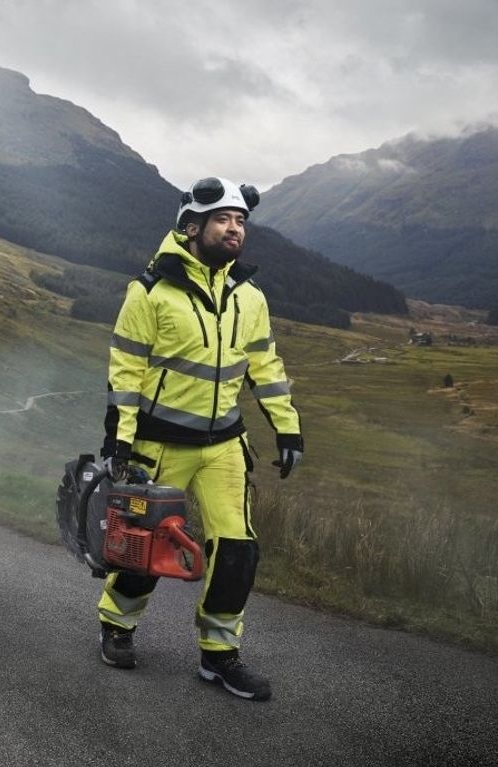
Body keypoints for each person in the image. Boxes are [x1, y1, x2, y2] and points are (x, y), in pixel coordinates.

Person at [96, 177, 303, 702]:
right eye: (223, 220)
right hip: (159, 444)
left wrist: (287, 425)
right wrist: (121, 442)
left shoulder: (249, 296)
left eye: (241, 222)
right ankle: (117, 626)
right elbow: (126, 370)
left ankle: (219, 656)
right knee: (145, 551)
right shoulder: (149, 292)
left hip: (224, 446)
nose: (235, 229)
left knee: (237, 550)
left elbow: (266, 366)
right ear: (192, 227)